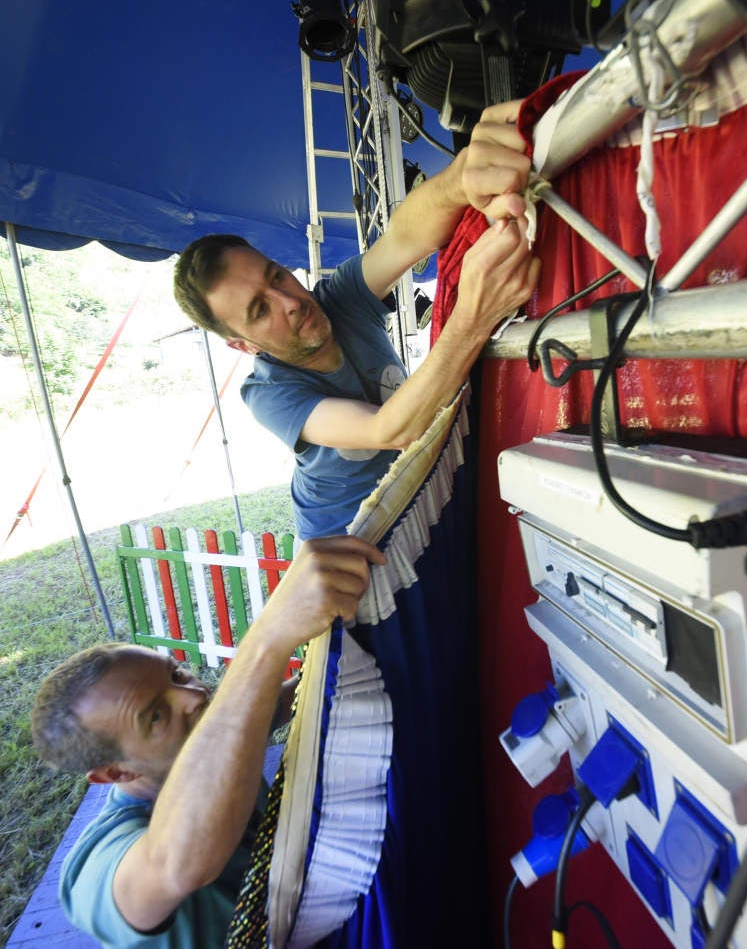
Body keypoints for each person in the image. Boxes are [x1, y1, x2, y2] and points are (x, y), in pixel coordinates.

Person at [172, 100, 541, 538]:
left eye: (276, 276)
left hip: (416, 493)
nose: (288, 300)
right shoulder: (270, 394)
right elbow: (388, 429)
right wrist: (473, 319)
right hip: (347, 541)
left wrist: (458, 182)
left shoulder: (335, 299)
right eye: (259, 309)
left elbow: (404, 238)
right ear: (243, 345)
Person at [31, 536, 385, 949]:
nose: (195, 696)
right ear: (116, 772)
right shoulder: (93, 870)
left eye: (177, 675)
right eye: (156, 715)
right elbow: (174, 865)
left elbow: (282, 700)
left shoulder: (203, 736)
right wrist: (267, 639)